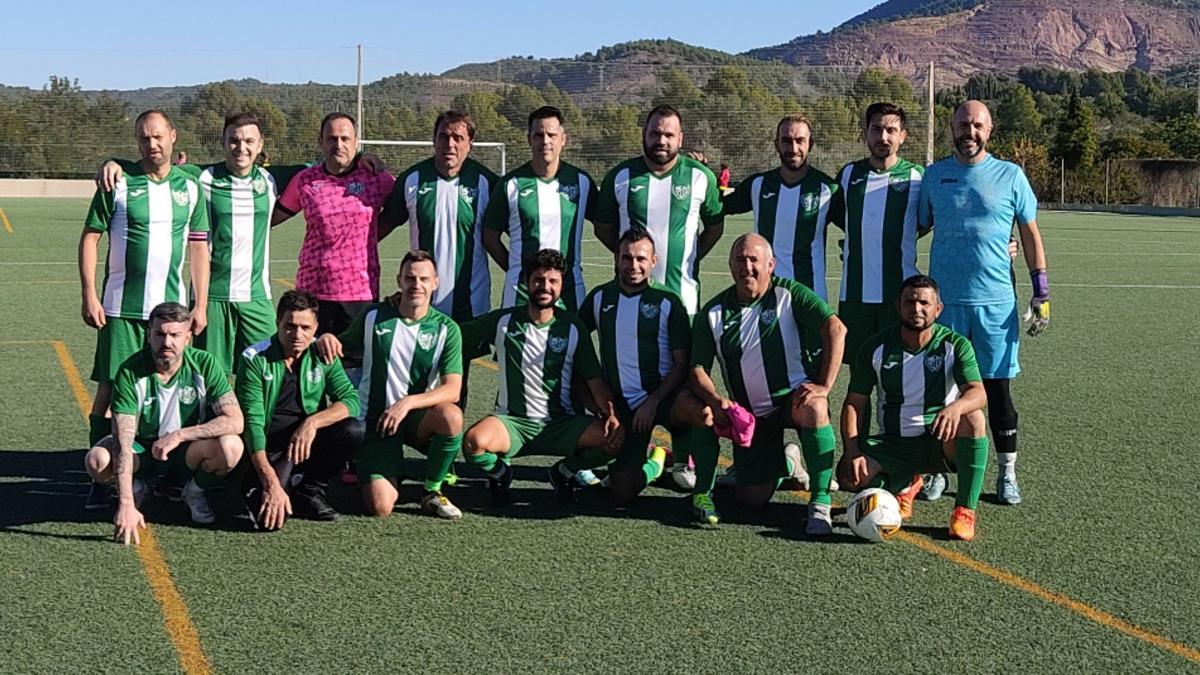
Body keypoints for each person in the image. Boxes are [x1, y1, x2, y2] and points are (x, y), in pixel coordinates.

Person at [917, 99, 1050, 506]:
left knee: (996, 390)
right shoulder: (934, 176)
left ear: (989, 130)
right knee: (940, 391)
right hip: (944, 306)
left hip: (995, 305)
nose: (969, 132)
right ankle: (939, 469)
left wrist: (1041, 290)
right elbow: (915, 226)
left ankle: (1007, 472)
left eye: (977, 125)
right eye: (963, 125)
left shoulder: (1011, 175)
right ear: (952, 128)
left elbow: (1029, 233)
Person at [593, 104, 724, 489]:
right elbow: (604, 228)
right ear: (644, 134)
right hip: (633, 301)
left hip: (683, 301)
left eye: (669, 134)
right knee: (633, 379)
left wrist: (690, 258)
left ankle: (684, 460)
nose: (661, 140)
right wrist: (632, 264)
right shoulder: (621, 177)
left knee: (687, 383)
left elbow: (714, 226)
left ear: (680, 138)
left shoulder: (700, 177)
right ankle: (634, 451)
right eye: (655, 133)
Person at [78, 110, 210, 481]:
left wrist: (199, 304)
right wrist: (89, 294)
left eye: (157, 136)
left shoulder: (190, 187)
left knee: (173, 387)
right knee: (110, 389)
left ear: (173, 136)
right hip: (121, 308)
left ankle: (165, 470)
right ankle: (102, 475)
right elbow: (90, 237)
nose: (151, 144)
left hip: (170, 314)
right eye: (143, 137)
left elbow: (199, 247)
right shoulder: (117, 181)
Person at [688, 234, 846, 534]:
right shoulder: (714, 312)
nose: (747, 267)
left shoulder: (789, 294)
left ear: (770, 265)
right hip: (753, 415)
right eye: (740, 260)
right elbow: (697, 369)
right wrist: (716, 399)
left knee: (815, 407)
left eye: (754, 260)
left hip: (793, 400)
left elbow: (835, 328)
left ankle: (820, 502)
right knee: (751, 499)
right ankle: (788, 463)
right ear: (730, 266)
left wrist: (824, 386)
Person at [459, 249, 623, 505]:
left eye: (552, 281)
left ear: (561, 285)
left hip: (561, 425)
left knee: (614, 440)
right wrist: (408, 308)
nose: (545, 287)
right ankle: (501, 473)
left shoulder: (572, 327)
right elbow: (454, 333)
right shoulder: (504, 321)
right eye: (538, 280)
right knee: (473, 442)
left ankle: (564, 472)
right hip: (513, 423)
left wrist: (610, 413)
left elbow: (594, 379)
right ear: (527, 282)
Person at [838, 275, 990, 541]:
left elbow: (978, 393)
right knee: (849, 477)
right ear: (898, 306)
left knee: (973, 418)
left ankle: (964, 510)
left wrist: (955, 408)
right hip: (893, 444)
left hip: (938, 441)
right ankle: (905, 485)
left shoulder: (954, 345)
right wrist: (852, 451)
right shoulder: (876, 347)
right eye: (909, 302)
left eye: (924, 303)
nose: (916, 309)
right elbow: (854, 403)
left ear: (938, 309)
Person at [315, 251, 465, 519]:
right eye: (410, 278)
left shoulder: (447, 328)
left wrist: (406, 403)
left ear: (435, 283)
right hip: (376, 420)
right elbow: (340, 347)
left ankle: (431, 491)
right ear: (399, 280)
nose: (416, 285)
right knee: (380, 508)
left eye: (423, 279)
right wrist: (325, 337)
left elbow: (452, 390)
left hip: (416, 418)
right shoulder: (374, 316)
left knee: (451, 416)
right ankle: (382, 465)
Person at [83, 303, 243, 543]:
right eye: (160, 334)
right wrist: (125, 503)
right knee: (97, 460)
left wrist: (179, 435)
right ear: (149, 335)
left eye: (175, 335)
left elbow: (236, 420)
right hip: (143, 451)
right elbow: (123, 441)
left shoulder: (205, 364)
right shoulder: (130, 371)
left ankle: (194, 490)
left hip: (188, 450)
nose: (167, 342)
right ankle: (137, 488)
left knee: (231, 447)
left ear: (188, 338)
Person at [579, 227, 712, 505]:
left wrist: (654, 400)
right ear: (616, 259)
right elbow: (575, 341)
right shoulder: (600, 298)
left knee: (701, 412)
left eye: (641, 259)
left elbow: (681, 363)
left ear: (653, 261)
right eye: (627, 258)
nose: (633, 265)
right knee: (622, 491)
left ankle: (700, 486)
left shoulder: (668, 301)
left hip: (663, 397)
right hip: (623, 407)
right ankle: (656, 463)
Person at [236, 290, 364, 529]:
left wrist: (312, 423)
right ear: (277, 322)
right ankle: (268, 484)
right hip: (269, 448)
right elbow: (253, 425)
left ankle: (308, 491)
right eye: (290, 326)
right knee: (269, 523)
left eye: (305, 328)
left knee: (353, 430)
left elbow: (351, 401)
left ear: (316, 327)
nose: (297, 335)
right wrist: (271, 483)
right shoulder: (255, 358)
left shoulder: (322, 354)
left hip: (306, 443)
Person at [271, 112, 396, 354]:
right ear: (321, 141)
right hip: (312, 292)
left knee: (355, 367)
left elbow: (402, 211)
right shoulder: (306, 180)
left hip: (360, 292)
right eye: (332, 138)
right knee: (309, 365)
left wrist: (369, 236)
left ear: (356, 142)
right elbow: (271, 217)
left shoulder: (376, 177)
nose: (338, 144)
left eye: (345, 138)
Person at [834, 103, 923, 435]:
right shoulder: (848, 175)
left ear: (903, 136)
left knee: (898, 380)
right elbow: (837, 217)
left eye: (891, 130)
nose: (883, 137)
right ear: (866, 133)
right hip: (855, 298)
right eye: (876, 129)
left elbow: (936, 217)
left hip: (898, 298)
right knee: (859, 382)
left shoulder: (917, 177)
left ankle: (897, 450)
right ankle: (857, 452)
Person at [381, 111, 499, 323]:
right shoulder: (412, 180)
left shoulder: (487, 183)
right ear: (434, 140)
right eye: (443, 136)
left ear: (470, 144)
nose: (450, 144)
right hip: (421, 305)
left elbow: (515, 231)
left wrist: (521, 273)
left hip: (472, 306)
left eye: (458, 138)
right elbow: (380, 228)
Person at [483, 106, 597, 311]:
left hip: (569, 290)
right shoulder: (510, 184)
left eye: (552, 135)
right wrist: (517, 270)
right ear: (529, 139)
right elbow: (490, 236)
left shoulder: (581, 182)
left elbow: (604, 224)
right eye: (538, 135)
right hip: (521, 292)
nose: (545, 141)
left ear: (563, 139)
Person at [722, 115, 843, 303]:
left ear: (810, 144)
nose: (793, 149)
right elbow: (717, 206)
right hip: (766, 295)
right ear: (776, 144)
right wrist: (703, 173)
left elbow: (857, 228)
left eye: (800, 141)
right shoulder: (758, 185)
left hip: (810, 296)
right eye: (786, 141)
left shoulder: (828, 189)